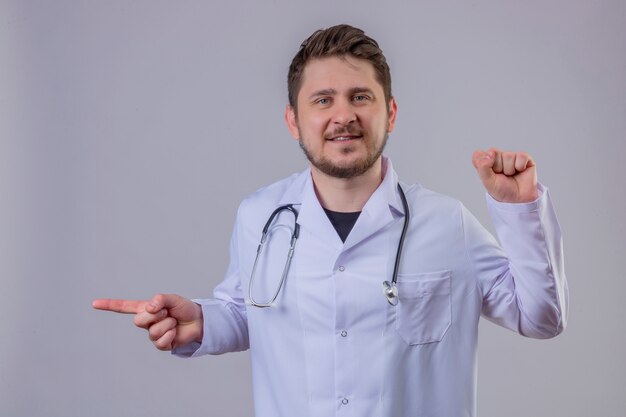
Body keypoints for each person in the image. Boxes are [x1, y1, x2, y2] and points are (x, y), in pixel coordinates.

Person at [93, 24, 568, 417]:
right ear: (293, 121)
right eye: (322, 100)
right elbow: (248, 312)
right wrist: (201, 320)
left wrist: (518, 208)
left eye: (361, 97)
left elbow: (541, 318)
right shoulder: (259, 216)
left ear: (391, 113)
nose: (344, 115)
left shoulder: (447, 224)